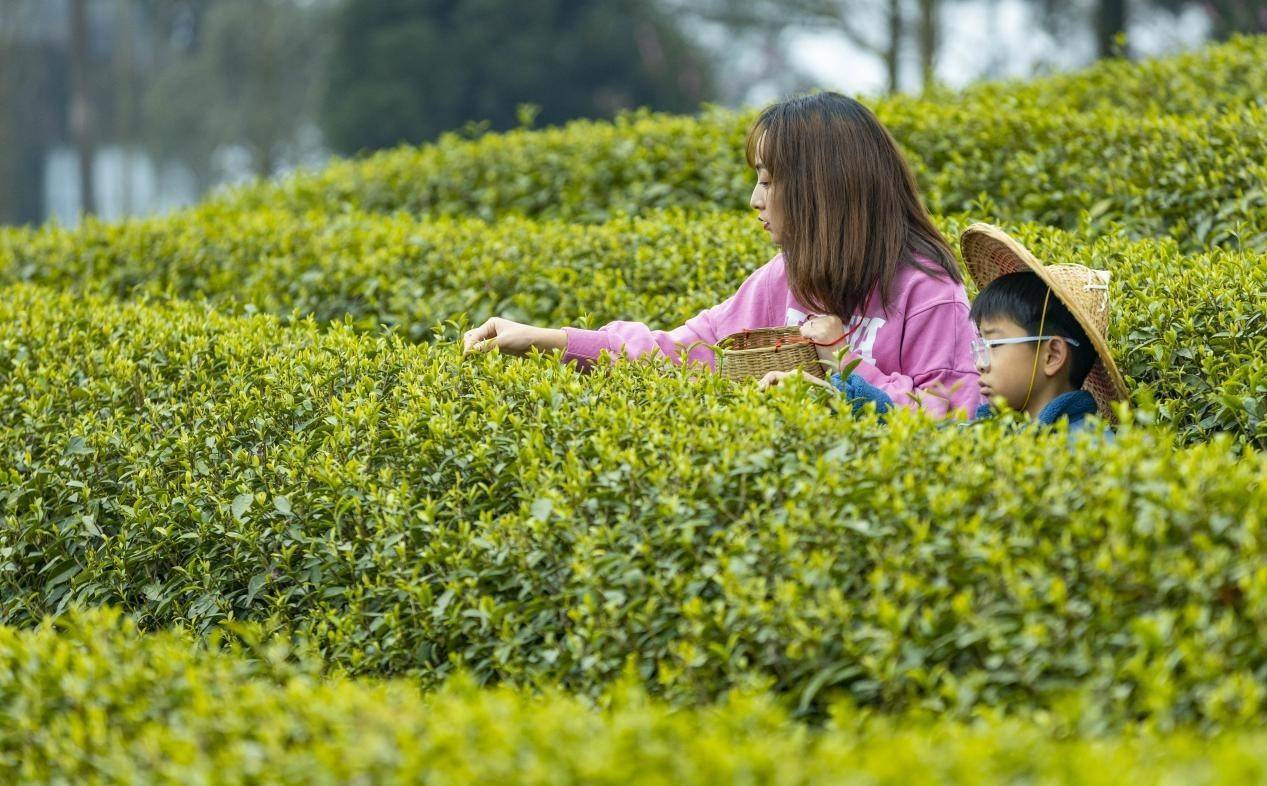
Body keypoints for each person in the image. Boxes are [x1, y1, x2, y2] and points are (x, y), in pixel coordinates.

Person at [463, 91, 981, 419]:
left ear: (824, 190)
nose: (756, 200)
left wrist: (841, 358)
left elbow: (953, 410)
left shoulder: (927, 290)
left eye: (769, 182)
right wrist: (544, 340)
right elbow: (682, 353)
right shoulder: (783, 278)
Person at [961, 223, 1129, 432]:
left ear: (1052, 355)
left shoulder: (1083, 451)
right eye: (981, 345)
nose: (980, 363)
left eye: (994, 344)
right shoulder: (989, 437)